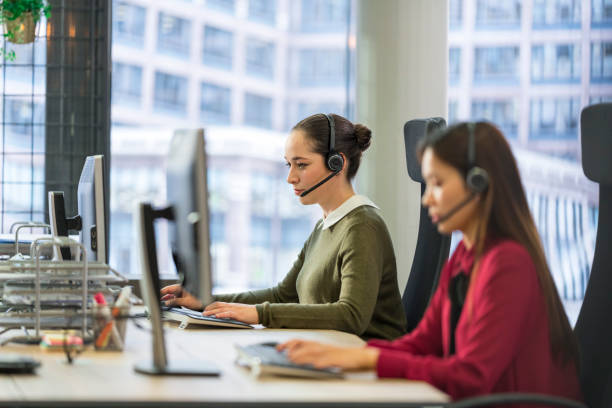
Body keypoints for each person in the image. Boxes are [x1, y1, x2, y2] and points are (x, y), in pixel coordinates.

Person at [278, 121, 583, 402]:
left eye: (437, 183)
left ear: (478, 184)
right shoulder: (465, 255)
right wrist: (339, 354)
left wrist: (367, 359)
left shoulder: (509, 264)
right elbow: (422, 343)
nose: (428, 199)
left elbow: (471, 376)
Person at [161, 113, 407, 341]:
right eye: (288, 164)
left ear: (336, 163)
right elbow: (282, 295)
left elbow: (351, 315)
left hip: (367, 365)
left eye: (301, 164)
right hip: (327, 352)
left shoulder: (362, 226)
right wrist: (205, 301)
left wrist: (259, 314)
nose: (290, 177)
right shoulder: (326, 225)